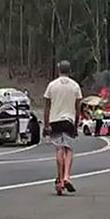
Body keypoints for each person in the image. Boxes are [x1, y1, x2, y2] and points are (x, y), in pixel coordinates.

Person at [44, 60, 82, 196]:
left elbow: (47, 106)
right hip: (69, 121)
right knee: (69, 149)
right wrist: (76, 124)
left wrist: (46, 124)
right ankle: (66, 176)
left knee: (59, 149)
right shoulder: (75, 86)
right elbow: (78, 108)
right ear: (70, 71)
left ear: (59, 70)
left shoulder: (52, 85)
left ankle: (59, 180)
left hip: (55, 121)